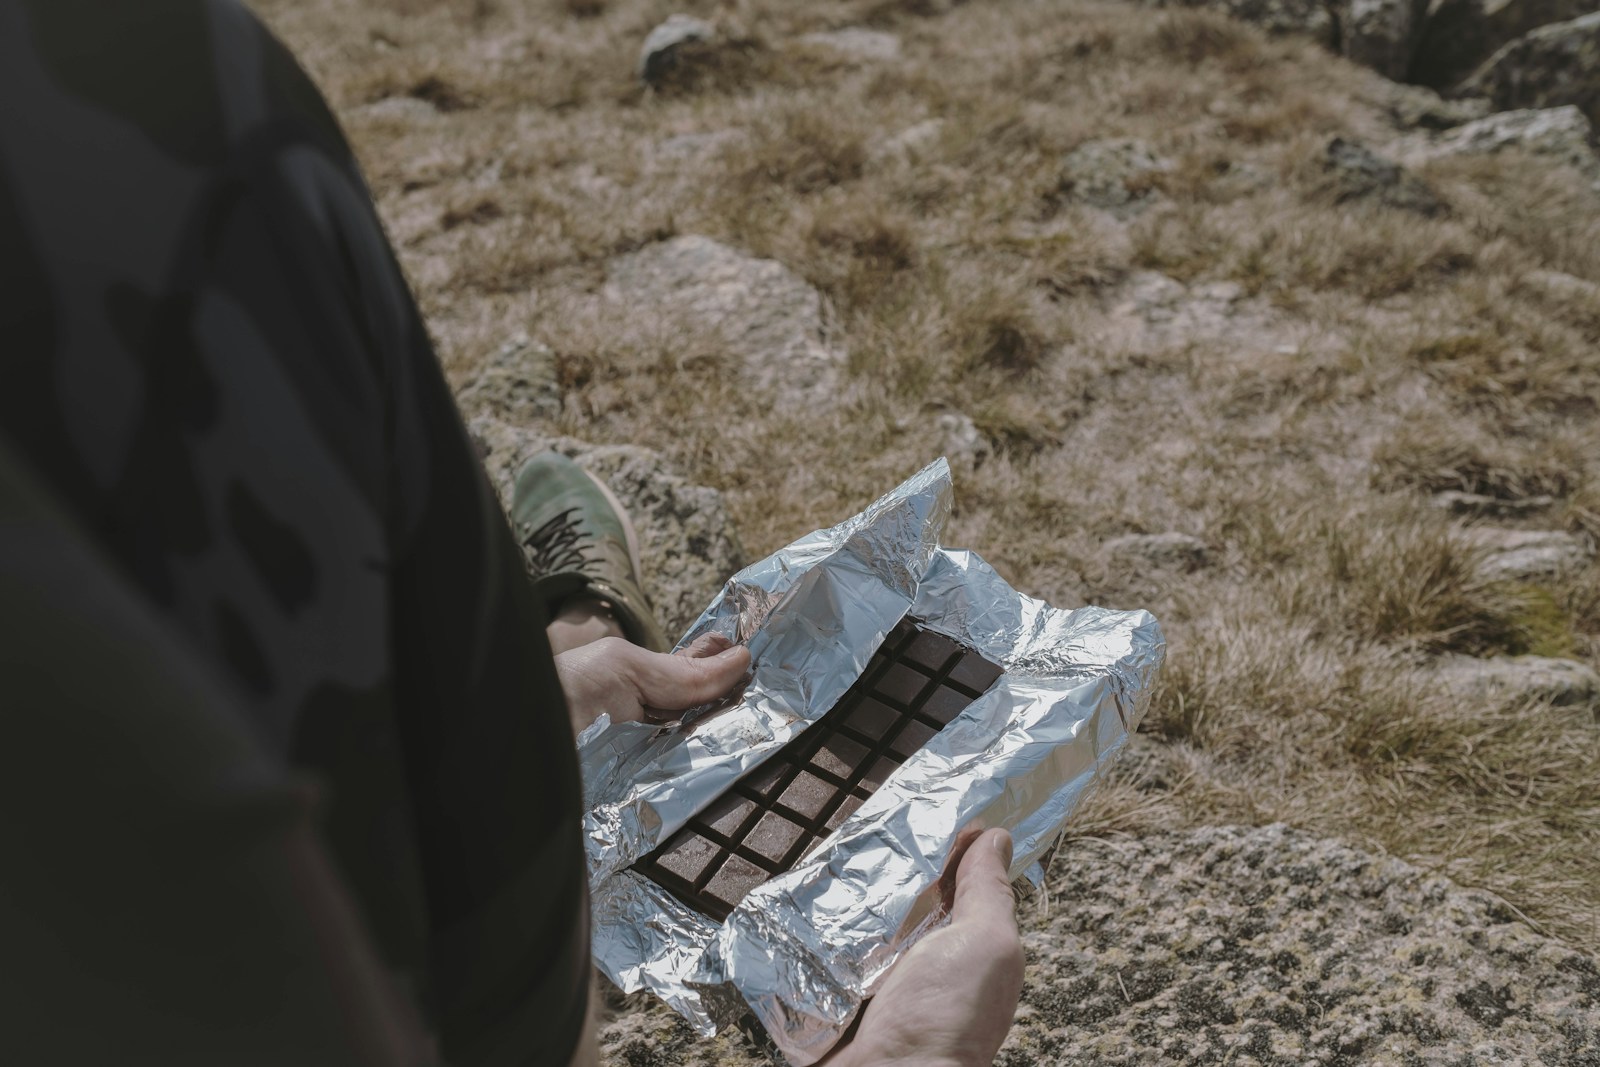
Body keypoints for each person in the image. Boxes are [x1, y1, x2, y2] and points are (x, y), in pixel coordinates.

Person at [0, 1, 1024, 1064]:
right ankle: (565, 635)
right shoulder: (153, 82)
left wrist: (516, 703)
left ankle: (563, 650)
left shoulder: (152, 72)